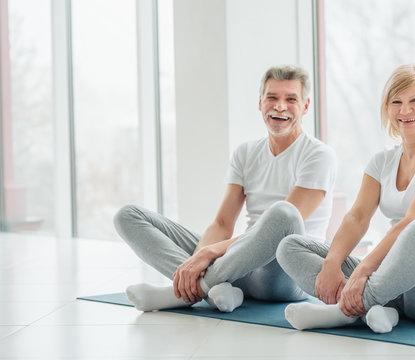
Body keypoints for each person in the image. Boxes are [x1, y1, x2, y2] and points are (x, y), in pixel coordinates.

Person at [114, 65, 336, 313]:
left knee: (283, 214)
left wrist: (210, 253)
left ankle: (181, 293)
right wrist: (196, 260)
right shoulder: (246, 152)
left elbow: (288, 223)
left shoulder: (319, 155)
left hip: (286, 274)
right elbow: (222, 223)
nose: (280, 106)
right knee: (128, 215)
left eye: (291, 99)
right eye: (272, 97)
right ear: (260, 102)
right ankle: (206, 288)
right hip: (240, 266)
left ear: (305, 106)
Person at [276, 63, 415, 334]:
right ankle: (380, 310)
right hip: (393, 281)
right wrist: (333, 263)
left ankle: (343, 312)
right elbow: (357, 217)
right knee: (290, 246)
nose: (405, 110)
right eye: (396, 102)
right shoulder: (382, 161)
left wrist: (363, 270)